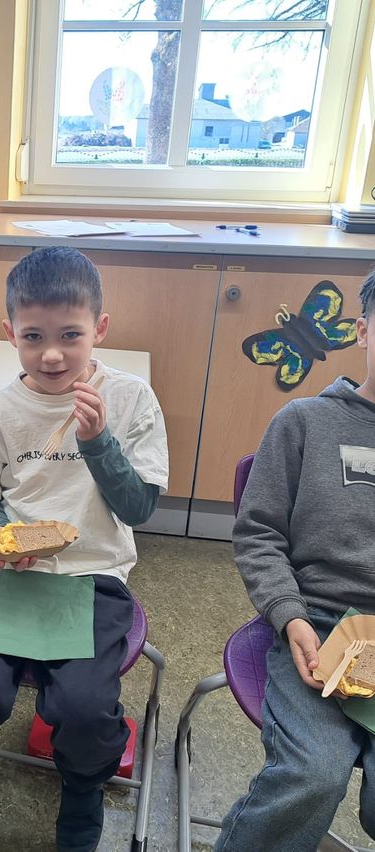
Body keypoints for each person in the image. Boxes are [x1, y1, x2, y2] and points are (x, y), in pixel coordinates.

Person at [0, 246, 169, 852]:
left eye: (70, 335)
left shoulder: (131, 399)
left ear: (99, 328)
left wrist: (97, 440)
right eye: (34, 337)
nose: (52, 354)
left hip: (91, 573)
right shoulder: (0, 410)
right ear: (11, 334)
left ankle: (81, 797)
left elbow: (138, 509)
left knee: (84, 705)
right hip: (2, 572)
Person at [215, 271, 375, 852]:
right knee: (312, 775)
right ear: (363, 330)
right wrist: (291, 615)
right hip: (320, 626)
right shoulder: (305, 421)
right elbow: (258, 533)